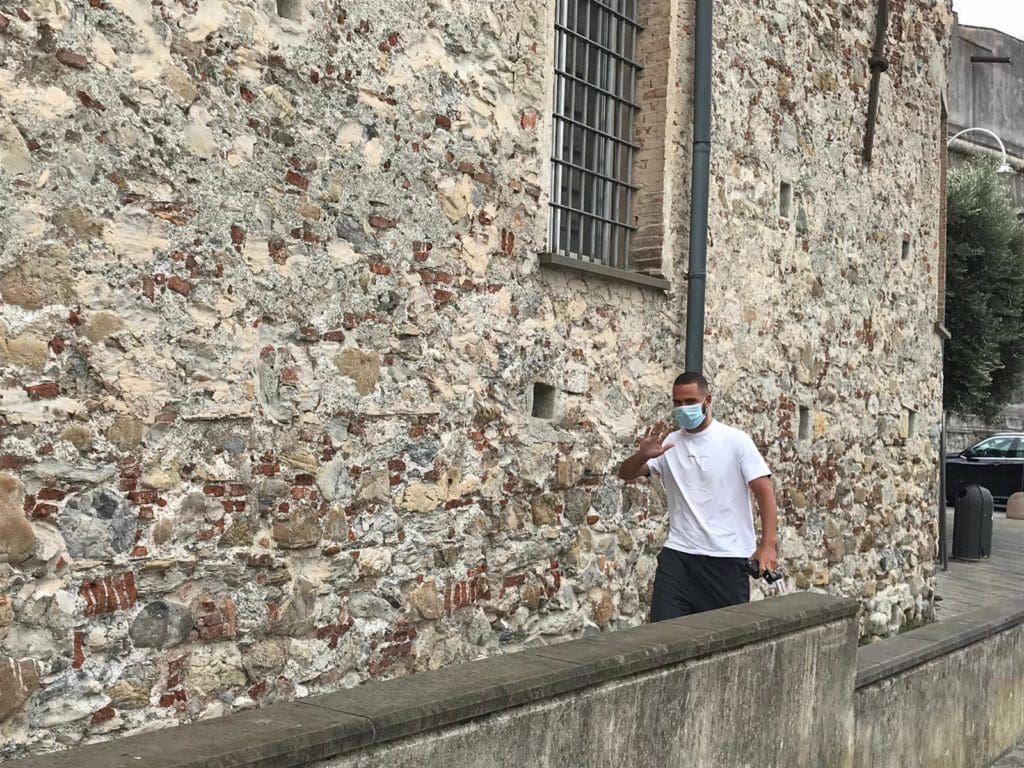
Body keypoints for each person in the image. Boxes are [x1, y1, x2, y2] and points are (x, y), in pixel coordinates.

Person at [618, 371, 778, 621]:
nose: (684, 408)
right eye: (678, 403)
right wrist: (643, 455)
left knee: (724, 636)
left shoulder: (735, 441)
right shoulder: (668, 444)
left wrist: (767, 546)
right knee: (662, 633)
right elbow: (626, 473)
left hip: (726, 558)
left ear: (707, 400)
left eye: (690, 401)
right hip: (679, 556)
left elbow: (764, 490)